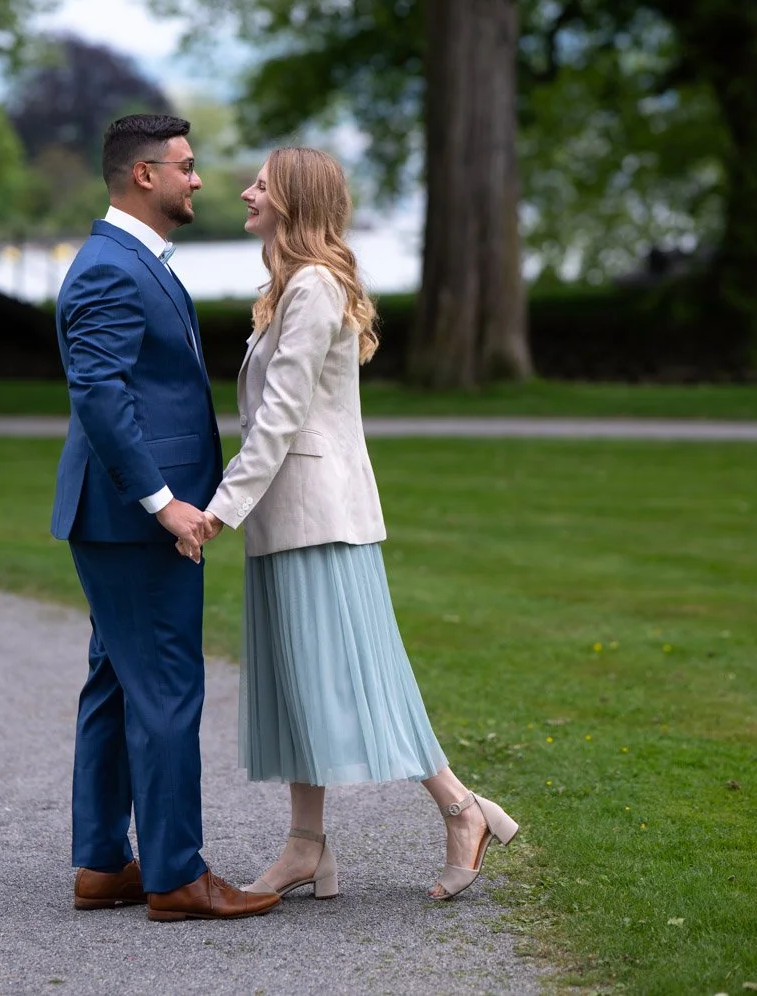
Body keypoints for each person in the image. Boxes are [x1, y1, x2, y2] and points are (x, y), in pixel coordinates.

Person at [194, 147, 518, 902]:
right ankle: (306, 845)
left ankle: (461, 809)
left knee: (355, 676)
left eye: (261, 185)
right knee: (299, 682)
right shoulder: (291, 286)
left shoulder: (311, 286)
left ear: (293, 201)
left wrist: (218, 509)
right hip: (291, 517)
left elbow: (279, 418)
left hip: (318, 516)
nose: (244, 192)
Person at [51, 113, 279, 923]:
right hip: (135, 519)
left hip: (119, 517)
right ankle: (178, 877)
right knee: (168, 691)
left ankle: (104, 863)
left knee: (117, 683)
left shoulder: (131, 260)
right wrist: (164, 503)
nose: (199, 179)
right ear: (143, 175)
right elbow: (102, 397)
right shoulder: (112, 269)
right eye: (186, 166)